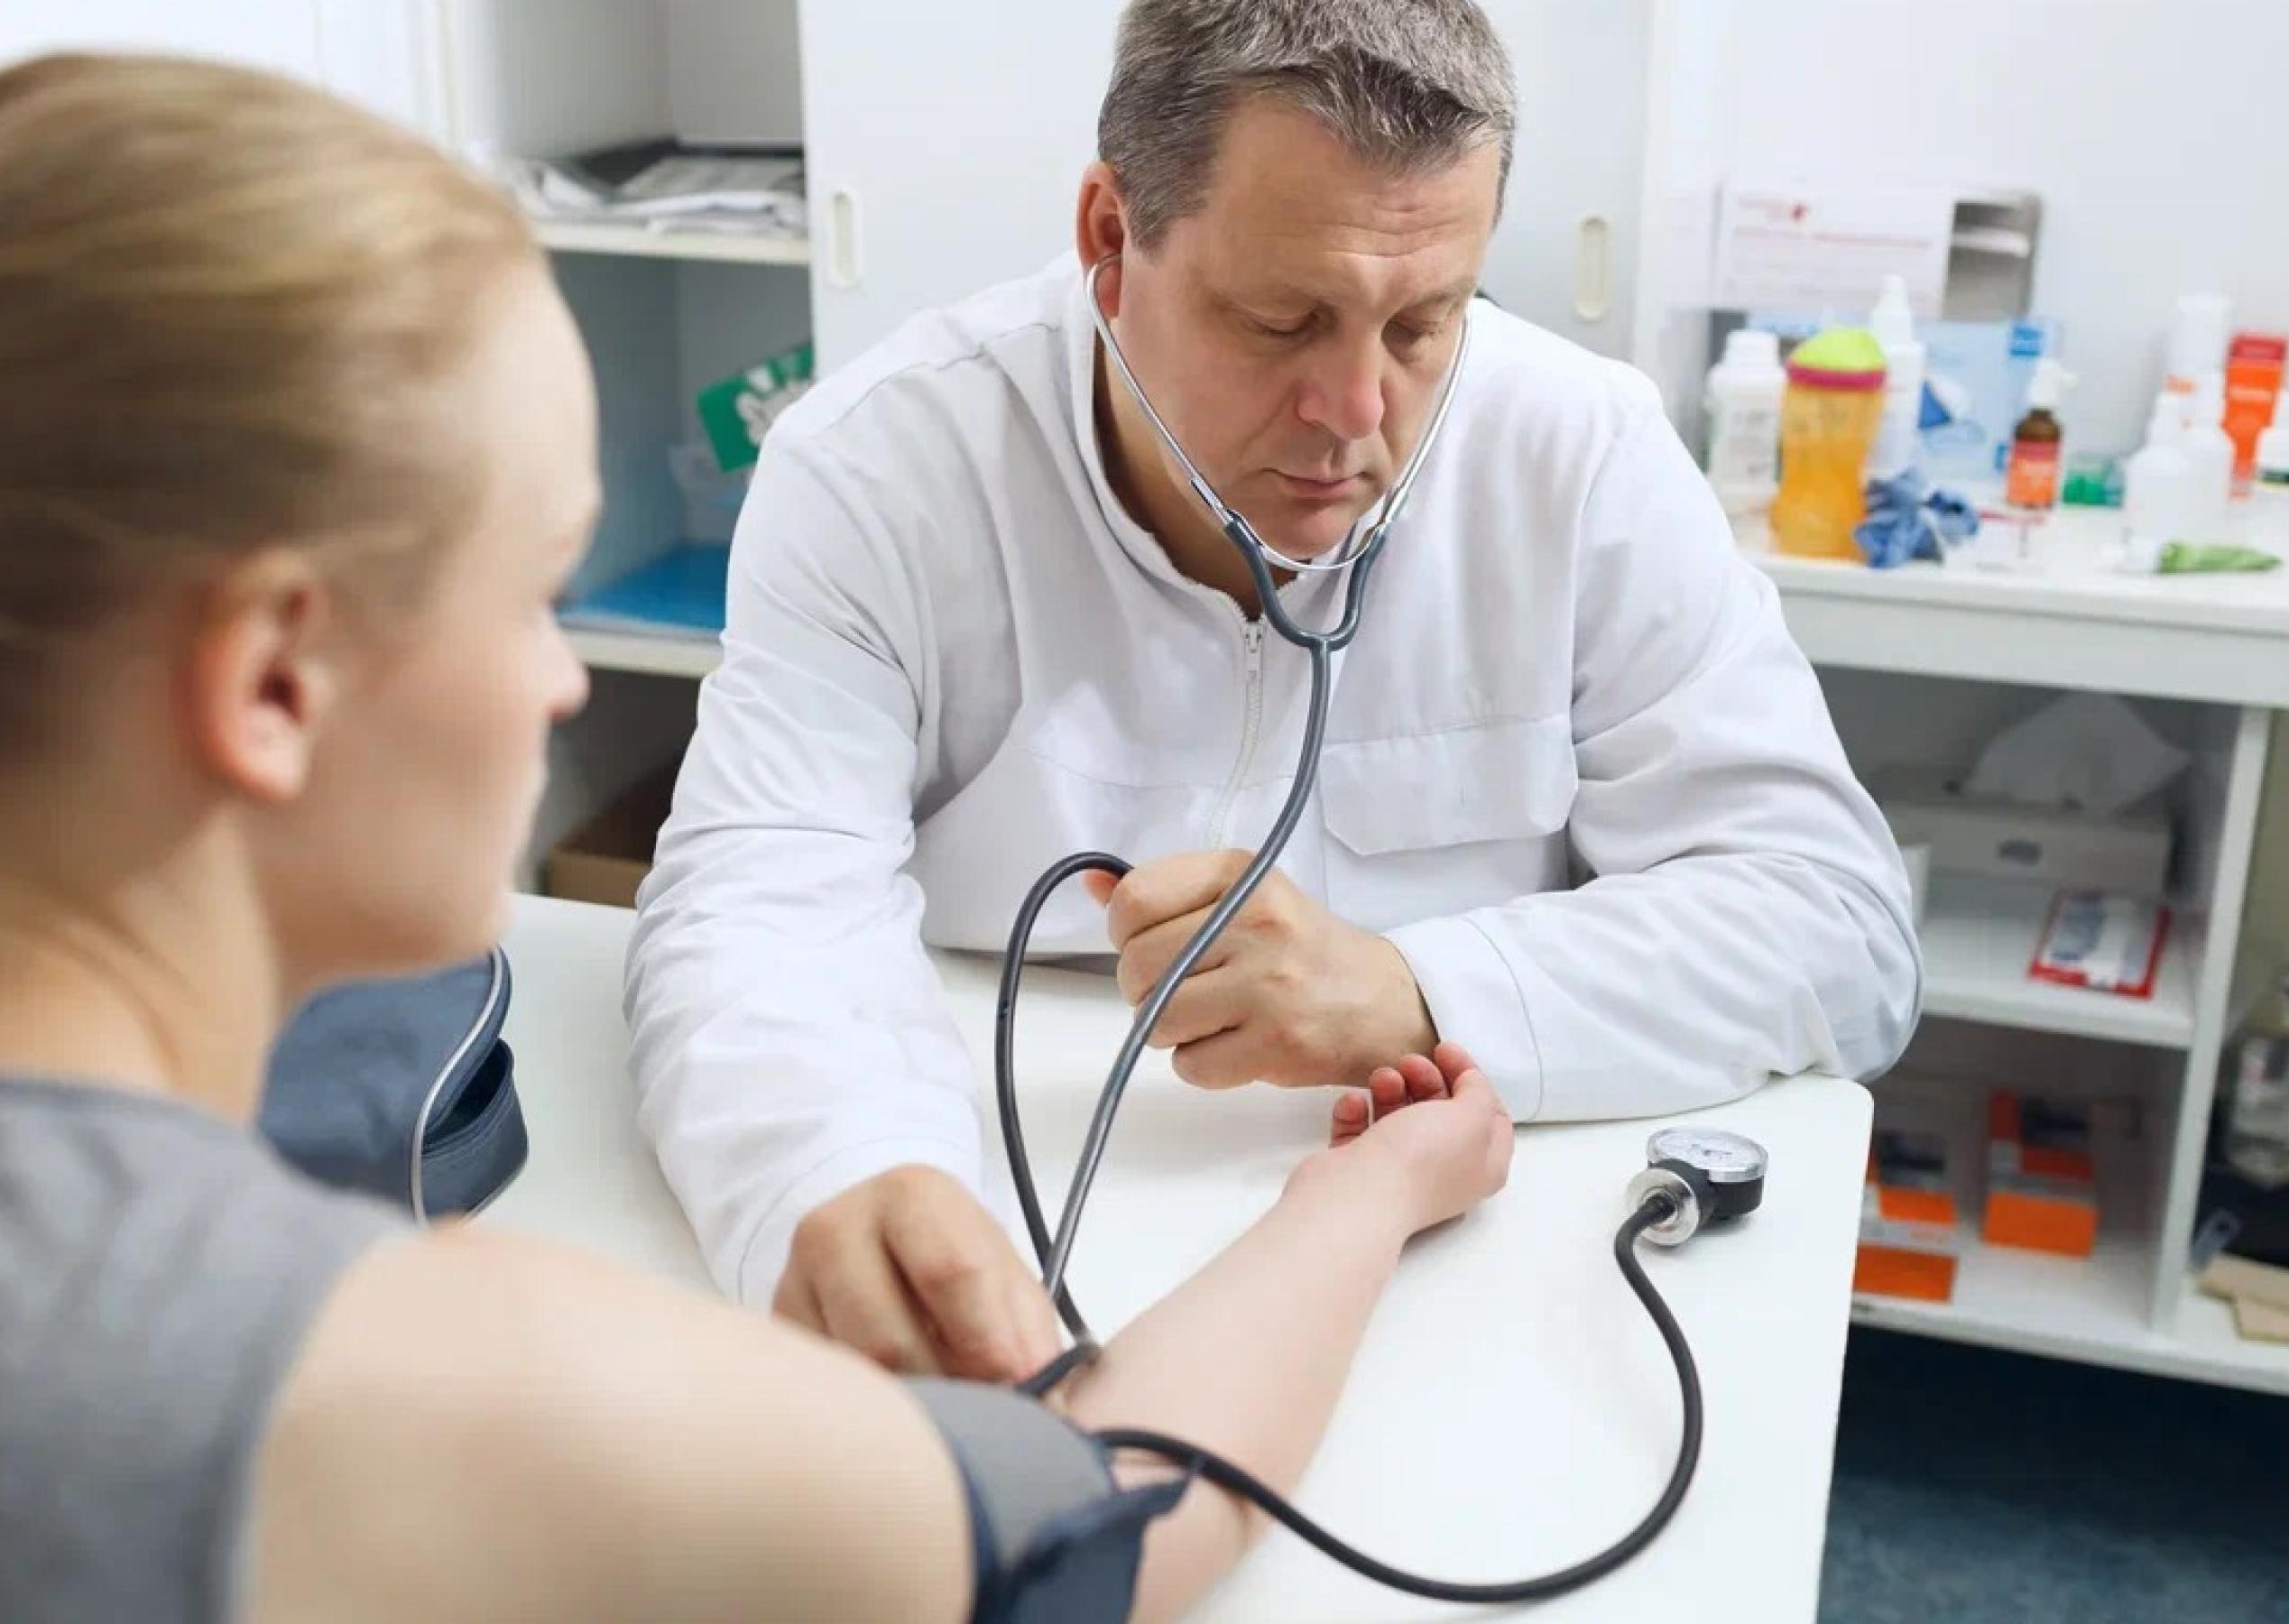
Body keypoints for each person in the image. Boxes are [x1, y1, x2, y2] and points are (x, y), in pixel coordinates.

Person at [0, 53, 1516, 1623]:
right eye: (533, 589)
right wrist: (1363, 1199)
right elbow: (1111, 1522)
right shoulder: (407, 1384)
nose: (562, 683)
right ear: (272, 685)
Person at [630, 0, 1922, 1381]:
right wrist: (845, 1167)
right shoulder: (883, 468)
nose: (1356, 411)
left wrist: (1419, 988)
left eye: (1424, 322)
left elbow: (1834, 924)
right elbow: (759, 903)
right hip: (999, 1184)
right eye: (1281, 320)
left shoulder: (1580, 456)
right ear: (1111, 237)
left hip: (1464, 1245)